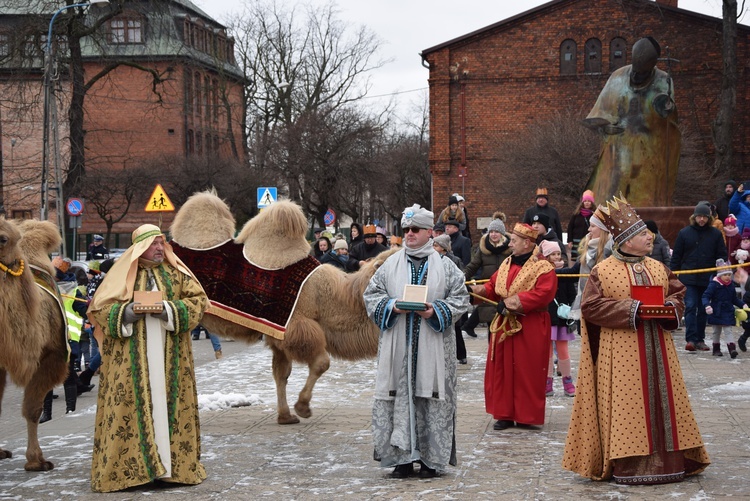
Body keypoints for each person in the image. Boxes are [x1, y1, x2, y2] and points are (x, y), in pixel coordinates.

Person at [563, 195, 710, 484]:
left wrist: (668, 308)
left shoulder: (658, 267)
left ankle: (670, 462)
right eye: (643, 234)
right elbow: (591, 307)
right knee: (628, 406)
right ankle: (628, 465)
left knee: (664, 401)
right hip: (621, 352)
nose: (649, 238)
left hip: (660, 348)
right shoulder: (602, 271)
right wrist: (633, 309)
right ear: (626, 240)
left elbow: (677, 293)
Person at [86, 224, 208, 492]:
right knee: (132, 410)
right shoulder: (121, 275)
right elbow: (101, 309)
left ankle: (170, 469)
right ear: (140, 247)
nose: (159, 248)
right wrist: (124, 314)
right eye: (153, 244)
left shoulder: (177, 273)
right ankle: (132, 470)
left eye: (161, 243)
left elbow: (199, 301)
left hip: (171, 359)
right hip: (130, 362)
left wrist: (169, 310)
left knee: (168, 407)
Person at [364, 204, 469, 479]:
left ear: (428, 233)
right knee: (398, 397)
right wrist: (392, 306)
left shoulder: (446, 267)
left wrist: (436, 311)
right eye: (406, 229)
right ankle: (401, 458)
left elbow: (461, 299)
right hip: (397, 350)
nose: (409, 234)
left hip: (433, 349)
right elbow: (371, 295)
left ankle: (431, 459)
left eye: (415, 230)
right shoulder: (389, 265)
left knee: (430, 397)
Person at [468, 223, 557, 431]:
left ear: (527, 243)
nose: (511, 243)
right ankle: (504, 414)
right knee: (503, 369)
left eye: (515, 241)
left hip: (530, 324)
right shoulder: (508, 262)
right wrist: (476, 291)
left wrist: (511, 303)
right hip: (504, 325)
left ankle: (526, 415)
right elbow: (493, 286)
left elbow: (543, 294)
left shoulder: (543, 267)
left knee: (527, 369)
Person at [583, 37, 680, 207]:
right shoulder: (617, 76)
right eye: (635, 71)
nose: (636, 75)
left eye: (642, 73)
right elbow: (599, 113)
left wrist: (665, 108)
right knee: (610, 199)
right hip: (616, 153)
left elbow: (668, 121)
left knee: (644, 202)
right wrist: (605, 127)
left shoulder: (663, 81)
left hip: (647, 155)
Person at [670, 202, 727, 352]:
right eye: (699, 217)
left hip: (707, 278)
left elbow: (721, 254)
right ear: (694, 217)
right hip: (688, 277)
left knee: (703, 309)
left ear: (709, 218)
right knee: (690, 306)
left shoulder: (715, 234)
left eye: (704, 217)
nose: (701, 220)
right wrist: (673, 274)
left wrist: (720, 271)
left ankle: (700, 339)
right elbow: (676, 256)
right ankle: (691, 339)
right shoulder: (684, 233)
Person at [462, 214, 511, 337]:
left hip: (507, 290)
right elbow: (473, 266)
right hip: (489, 290)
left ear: (502, 234)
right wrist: (462, 277)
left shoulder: (510, 249)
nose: (494, 234)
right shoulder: (483, 249)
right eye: (491, 232)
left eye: (497, 232)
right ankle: (492, 354)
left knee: (506, 325)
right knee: (492, 326)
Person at [539, 240, 576, 397]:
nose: (556, 257)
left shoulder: (566, 273)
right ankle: (547, 381)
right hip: (546, 316)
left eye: (558, 254)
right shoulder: (541, 273)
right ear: (546, 257)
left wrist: (568, 309)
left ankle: (567, 380)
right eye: (552, 254)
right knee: (546, 352)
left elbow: (571, 294)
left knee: (563, 350)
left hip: (561, 318)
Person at [569, 208, 613, 321]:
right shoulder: (588, 248)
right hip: (585, 301)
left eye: (593, 226)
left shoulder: (612, 250)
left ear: (603, 229)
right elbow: (573, 271)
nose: (589, 229)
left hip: (603, 305)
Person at [433, 234, 467, 365]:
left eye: (436, 245)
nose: (433, 248)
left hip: (451, 300)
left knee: (456, 331)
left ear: (443, 248)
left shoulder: (454, 260)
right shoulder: (433, 260)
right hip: (439, 299)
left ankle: (461, 355)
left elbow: (460, 277)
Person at [702, 259, 745, 358]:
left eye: (729, 275)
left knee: (728, 330)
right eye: (725, 275)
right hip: (716, 311)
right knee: (716, 331)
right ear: (720, 275)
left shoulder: (731, 285)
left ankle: (732, 349)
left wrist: (743, 305)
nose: (727, 277)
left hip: (727, 311)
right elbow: (705, 296)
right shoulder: (714, 285)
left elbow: (734, 299)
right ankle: (716, 349)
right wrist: (707, 305)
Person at [567, 190, 595, 264]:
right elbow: (570, 227)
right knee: (576, 260)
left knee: (586, 259)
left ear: (592, 203)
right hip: (576, 240)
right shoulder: (576, 214)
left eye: (589, 201)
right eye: (585, 201)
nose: (587, 203)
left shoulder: (594, 215)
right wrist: (570, 240)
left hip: (588, 240)